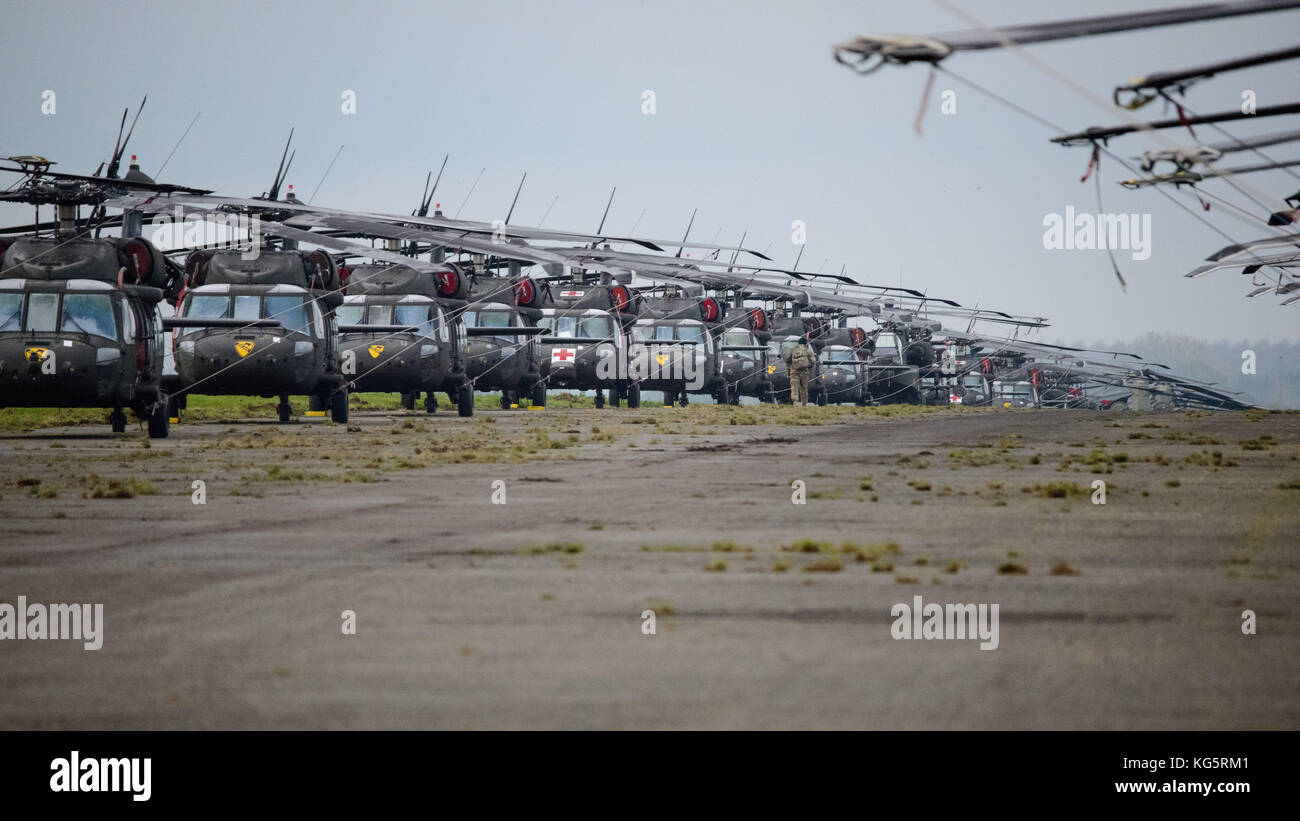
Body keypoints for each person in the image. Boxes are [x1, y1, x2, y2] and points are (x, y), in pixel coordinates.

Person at [786, 335, 816, 406]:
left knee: (794, 387)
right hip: (804, 371)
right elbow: (813, 361)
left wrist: (788, 372)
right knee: (804, 388)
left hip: (794, 371)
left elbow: (788, 360)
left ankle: (795, 402)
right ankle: (804, 404)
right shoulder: (807, 349)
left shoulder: (793, 349)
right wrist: (808, 365)